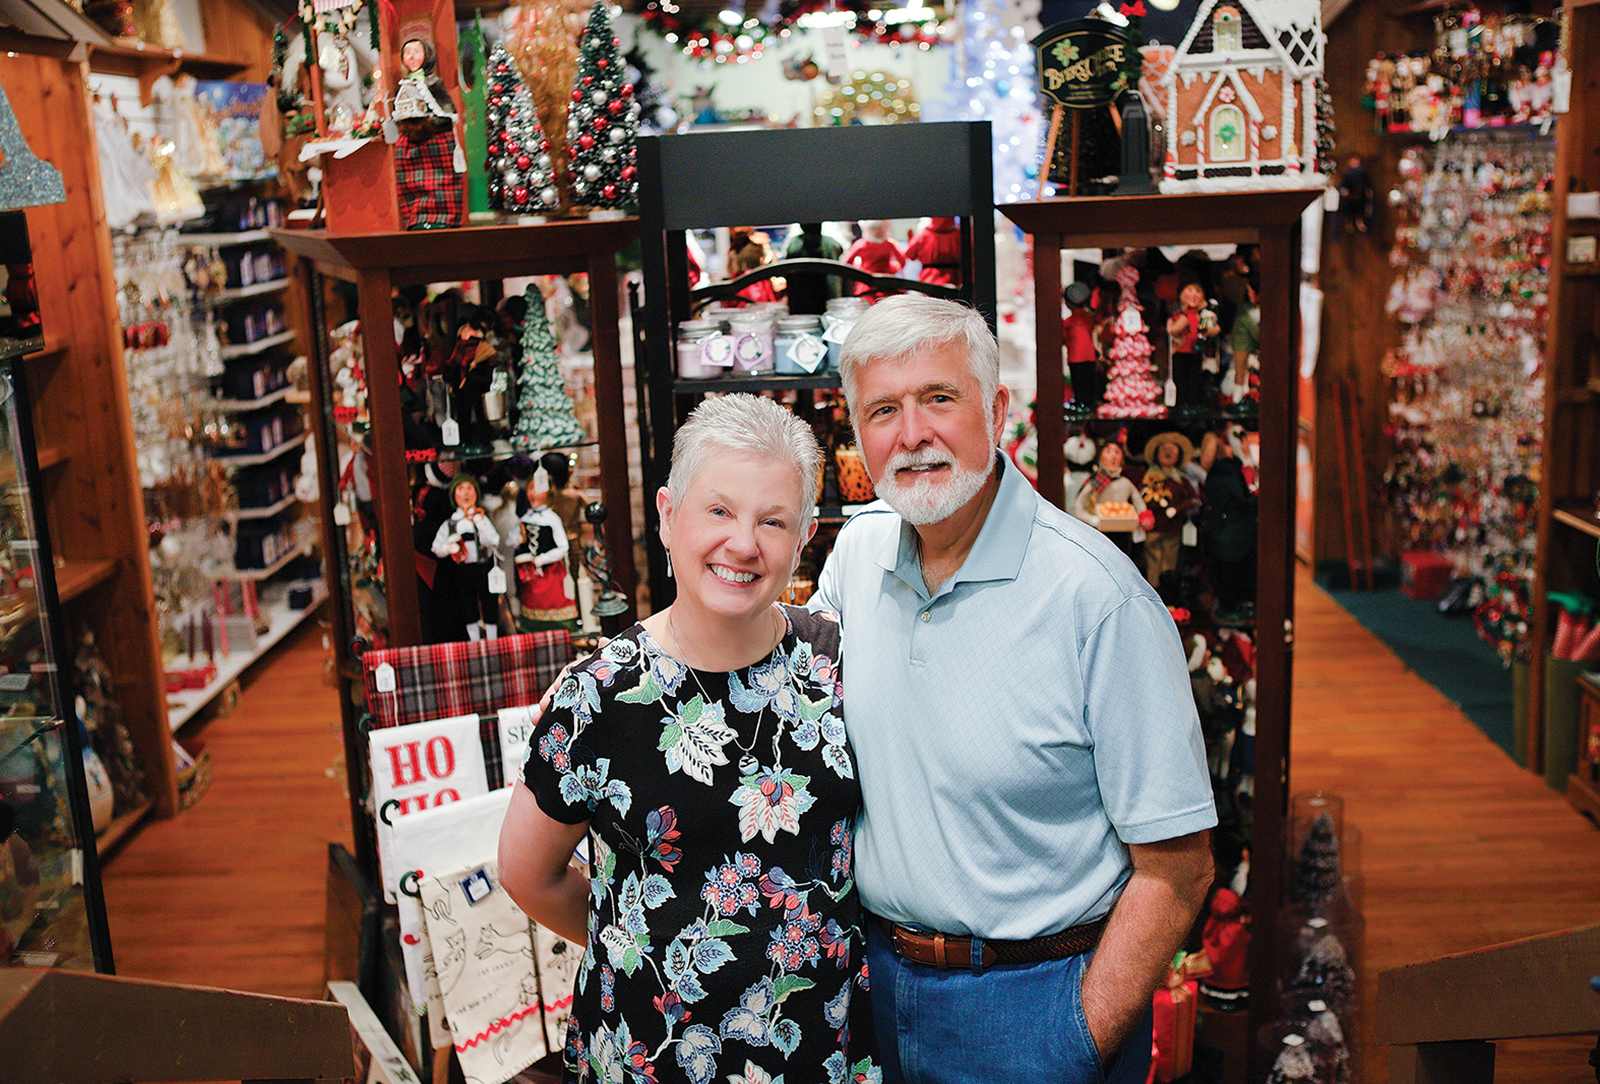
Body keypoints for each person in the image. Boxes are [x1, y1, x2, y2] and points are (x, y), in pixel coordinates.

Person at [810, 294, 1216, 1084]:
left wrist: (1071, 1043)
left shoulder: (1097, 600)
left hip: (1038, 998)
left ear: (996, 410)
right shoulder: (854, 562)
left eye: (939, 398)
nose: (913, 433)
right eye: (883, 409)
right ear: (855, 431)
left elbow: (1178, 866)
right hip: (874, 985)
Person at [498, 394, 877, 1083]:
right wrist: (635, 941)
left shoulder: (840, 666)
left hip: (814, 1054)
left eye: (773, 520)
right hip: (648, 1056)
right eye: (719, 511)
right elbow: (528, 873)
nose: (743, 543)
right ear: (669, 517)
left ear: (804, 538)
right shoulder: (598, 698)